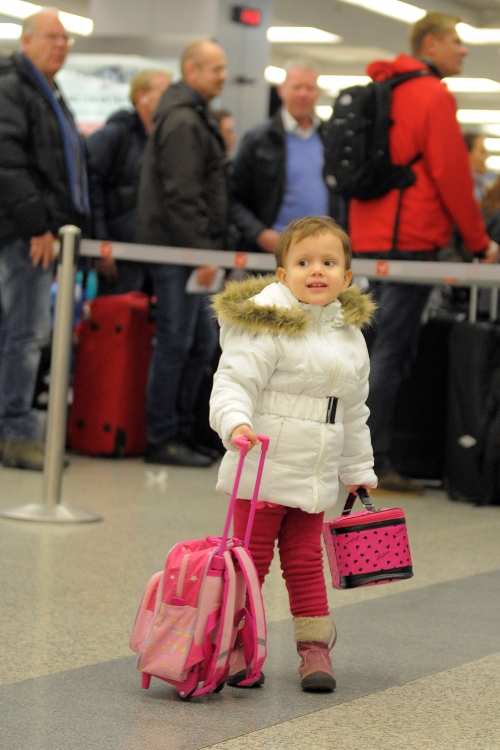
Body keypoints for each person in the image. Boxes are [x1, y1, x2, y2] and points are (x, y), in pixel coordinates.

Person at [210, 216, 377, 691]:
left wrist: (358, 470)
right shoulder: (266, 326)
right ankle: (238, 644)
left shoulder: (350, 336)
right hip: (261, 465)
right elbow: (233, 382)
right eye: (303, 262)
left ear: (347, 278)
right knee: (251, 562)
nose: (316, 271)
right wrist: (234, 422)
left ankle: (314, 648)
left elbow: (354, 411)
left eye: (328, 262)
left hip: (315, 472)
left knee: (305, 560)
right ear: (282, 274)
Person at [348, 12, 500, 494]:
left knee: (372, 349)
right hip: (410, 238)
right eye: (457, 41)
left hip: (373, 233)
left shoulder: (389, 87)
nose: (464, 50)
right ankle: (371, 461)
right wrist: (479, 243)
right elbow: (452, 175)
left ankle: (358, 452)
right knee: (392, 351)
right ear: (429, 43)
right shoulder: (431, 94)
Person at [0, 8, 89, 471]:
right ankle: (15, 430)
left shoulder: (46, 90)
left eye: (66, 38)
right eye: (53, 37)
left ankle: (13, 424)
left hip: (38, 230)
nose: (62, 45)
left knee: (21, 333)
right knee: (26, 334)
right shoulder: (14, 86)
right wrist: (38, 224)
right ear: (27, 40)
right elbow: (8, 159)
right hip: (23, 233)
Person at [136, 39, 229, 467]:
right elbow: (182, 193)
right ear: (191, 70)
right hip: (180, 253)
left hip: (190, 251)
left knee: (198, 342)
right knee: (178, 341)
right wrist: (202, 252)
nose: (223, 77)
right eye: (215, 69)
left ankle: (183, 429)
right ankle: (162, 435)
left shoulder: (190, 116)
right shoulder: (183, 122)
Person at [230, 59, 346, 256]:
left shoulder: (333, 139)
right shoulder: (258, 140)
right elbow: (233, 197)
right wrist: (259, 233)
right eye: (296, 87)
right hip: (273, 252)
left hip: (324, 250)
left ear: (317, 92)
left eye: (309, 88)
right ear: (281, 90)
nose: (303, 94)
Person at [86, 68, 171, 295]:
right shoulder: (115, 135)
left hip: (152, 254)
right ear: (140, 96)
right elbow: (91, 187)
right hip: (118, 255)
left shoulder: (164, 141)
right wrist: (101, 245)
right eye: (164, 92)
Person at [463, 132, 496, 203]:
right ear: (466, 155)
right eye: (482, 152)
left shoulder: (483, 182)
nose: (487, 156)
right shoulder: (464, 189)